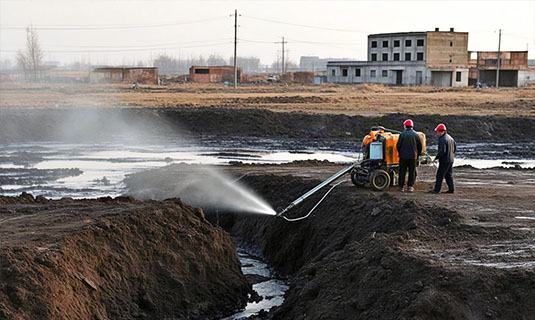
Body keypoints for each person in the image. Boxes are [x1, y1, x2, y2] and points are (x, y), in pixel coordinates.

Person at [396, 119, 422, 193]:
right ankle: (410, 187)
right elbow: (419, 147)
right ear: (412, 126)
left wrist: (400, 153)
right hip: (413, 157)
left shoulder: (402, 134)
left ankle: (401, 187)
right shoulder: (416, 135)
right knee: (412, 171)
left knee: (402, 171)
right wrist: (417, 155)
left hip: (403, 156)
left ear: (405, 126)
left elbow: (398, 146)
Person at [430, 123, 456, 194]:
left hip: (444, 160)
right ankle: (451, 189)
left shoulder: (442, 140)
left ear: (441, 131)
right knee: (448, 175)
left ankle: (436, 190)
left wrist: (436, 158)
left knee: (440, 175)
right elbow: (454, 148)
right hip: (451, 159)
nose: (437, 133)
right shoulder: (450, 138)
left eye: (437, 131)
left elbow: (442, 151)